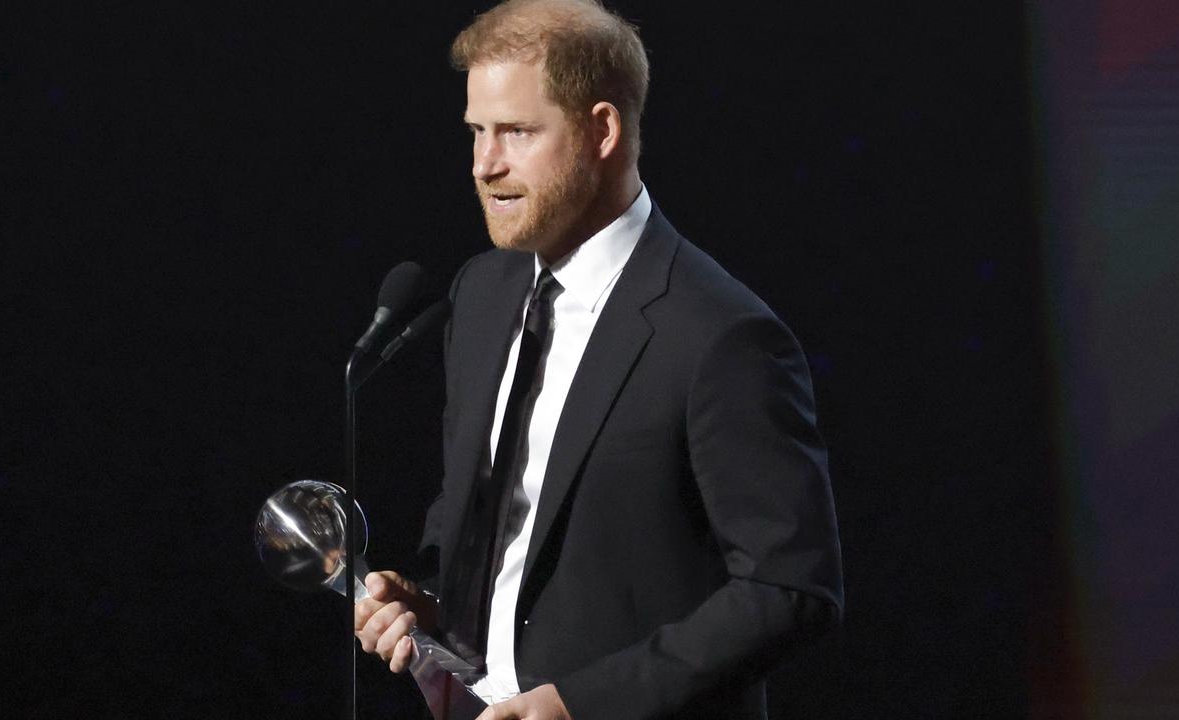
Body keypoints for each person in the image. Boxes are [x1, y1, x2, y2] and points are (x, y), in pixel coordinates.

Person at [354, 2, 842, 718]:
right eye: (477, 132)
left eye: (516, 132)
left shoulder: (718, 333)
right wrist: (427, 604)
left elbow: (791, 588)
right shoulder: (483, 291)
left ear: (602, 130)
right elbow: (483, 514)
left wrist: (578, 705)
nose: (485, 165)